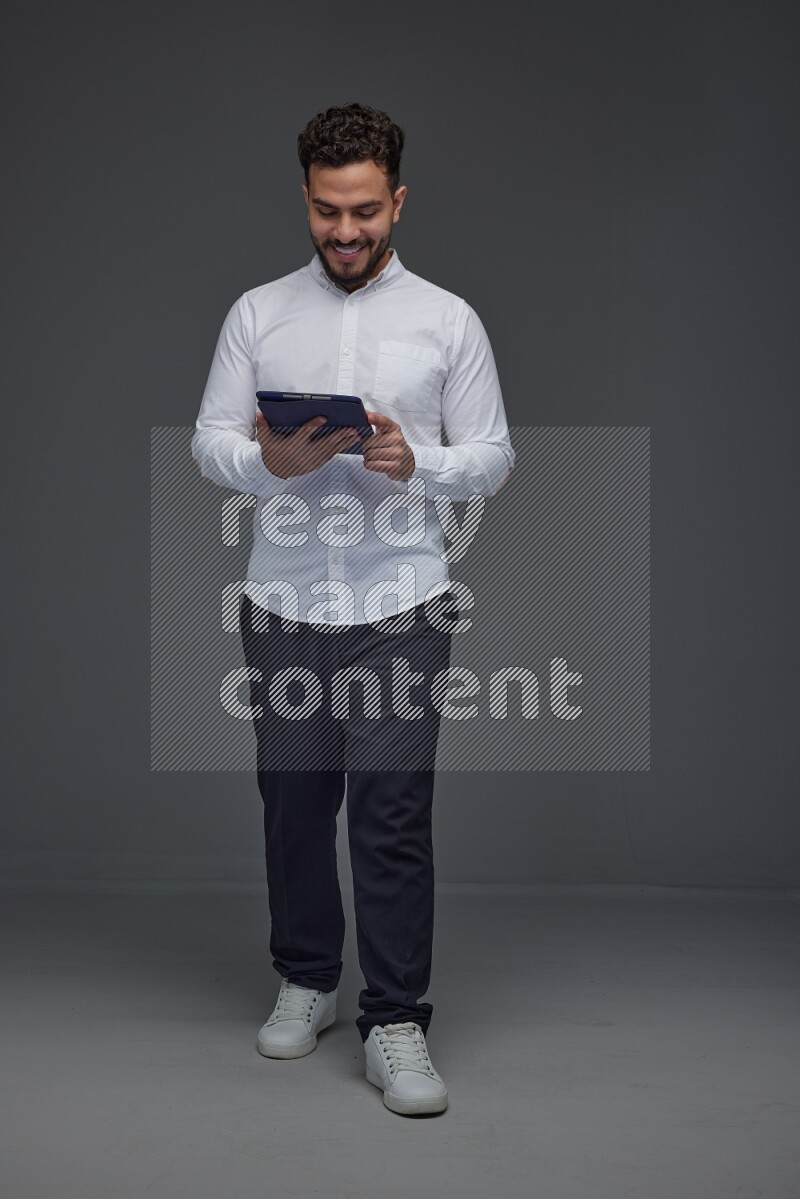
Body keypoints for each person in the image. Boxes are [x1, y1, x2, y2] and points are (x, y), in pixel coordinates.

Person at [191, 102, 514, 1117]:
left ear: (397, 200)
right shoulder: (256, 312)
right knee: (292, 807)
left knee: (389, 813)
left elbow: (494, 459)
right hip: (283, 600)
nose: (345, 232)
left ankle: (394, 1018)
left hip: (401, 599)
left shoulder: (448, 320)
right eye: (328, 212)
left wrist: (420, 459)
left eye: (365, 211)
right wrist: (265, 459)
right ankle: (306, 976)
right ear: (305, 201)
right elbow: (208, 441)